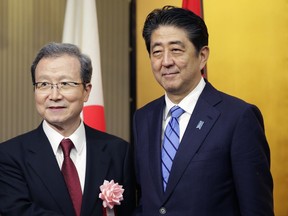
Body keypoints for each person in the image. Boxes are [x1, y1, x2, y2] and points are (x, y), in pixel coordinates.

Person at [133, 5, 274, 215]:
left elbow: (256, 208)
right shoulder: (143, 118)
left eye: (176, 50)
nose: (166, 61)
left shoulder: (238, 118)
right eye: (157, 52)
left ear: (203, 56)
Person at [0, 42, 135, 216]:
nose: (54, 96)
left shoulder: (119, 152)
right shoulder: (8, 155)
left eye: (65, 84)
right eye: (44, 84)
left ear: (86, 91)